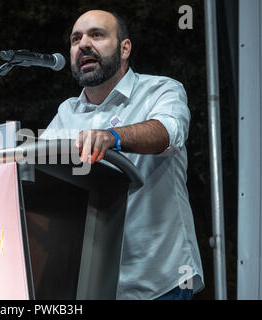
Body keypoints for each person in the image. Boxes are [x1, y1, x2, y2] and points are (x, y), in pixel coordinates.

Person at [40, 10, 204, 300]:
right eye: (76, 39)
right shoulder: (67, 113)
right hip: (90, 286)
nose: (83, 45)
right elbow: (36, 167)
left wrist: (113, 137)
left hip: (161, 282)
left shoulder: (160, 90)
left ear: (125, 48)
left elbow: (169, 131)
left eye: (97, 35)